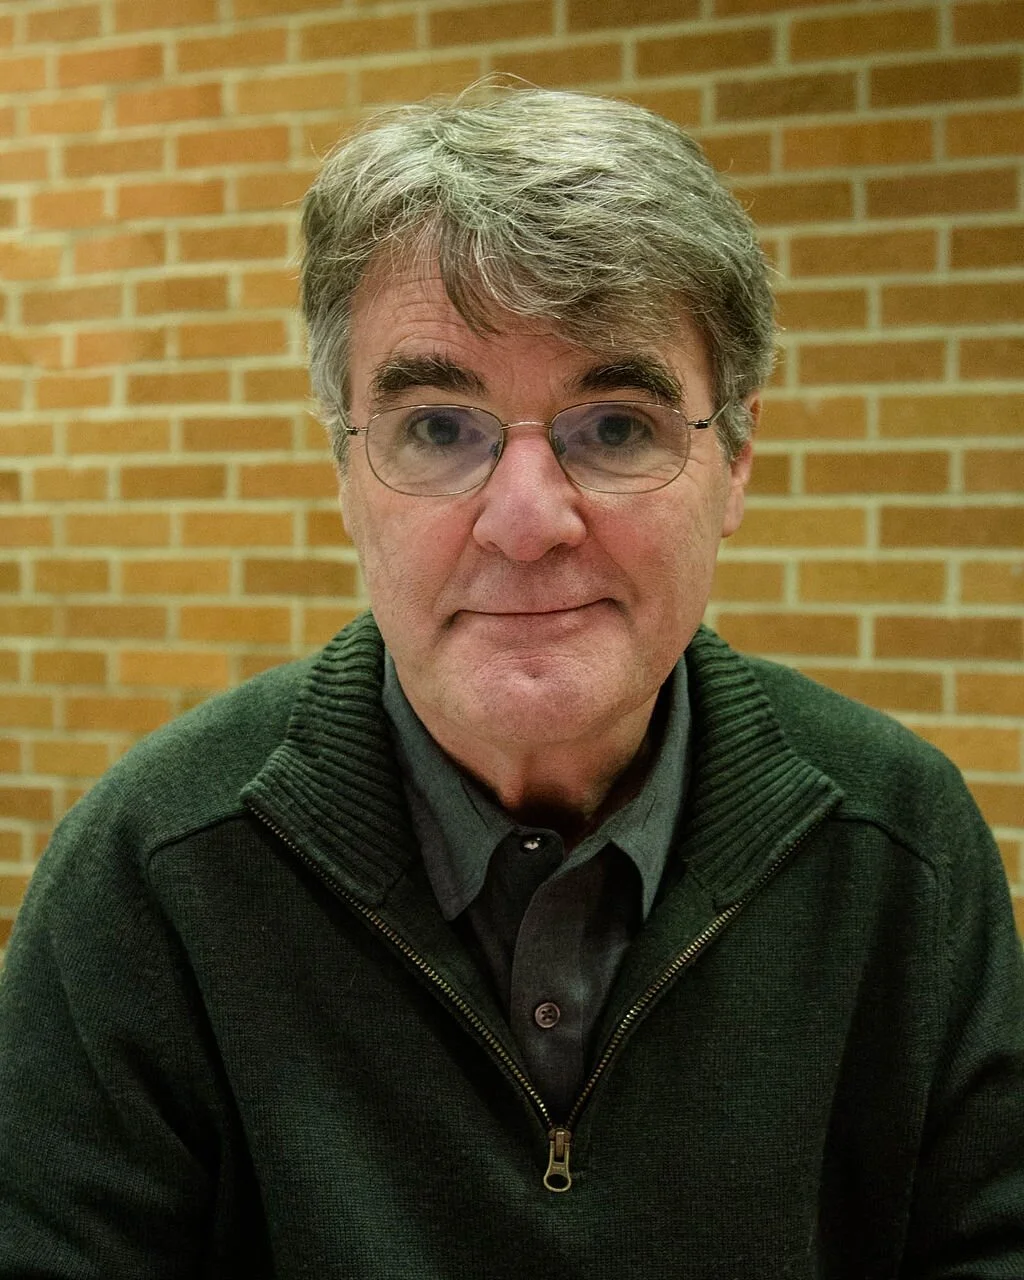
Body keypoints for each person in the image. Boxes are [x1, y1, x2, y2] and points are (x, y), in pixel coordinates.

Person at [1, 84, 1022, 1280]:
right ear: (343, 467)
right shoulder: (154, 871)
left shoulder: (899, 846)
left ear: (736, 459)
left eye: (616, 427)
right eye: (438, 429)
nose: (526, 521)